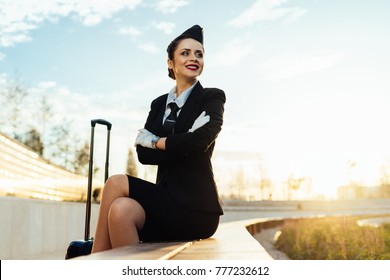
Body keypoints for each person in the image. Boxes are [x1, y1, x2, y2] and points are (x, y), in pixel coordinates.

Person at [92, 25, 226, 253]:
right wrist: (184, 139)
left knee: (115, 182)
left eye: (199, 53)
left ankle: (92, 263)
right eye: (185, 53)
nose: (194, 58)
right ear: (170, 62)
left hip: (196, 209)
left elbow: (198, 142)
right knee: (121, 210)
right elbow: (143, 155)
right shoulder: (158, 104)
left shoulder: (211, 97)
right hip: (165, 202)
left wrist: (155, 141)